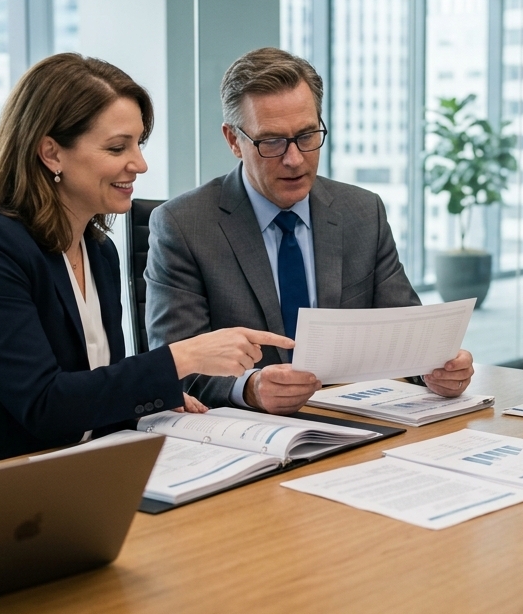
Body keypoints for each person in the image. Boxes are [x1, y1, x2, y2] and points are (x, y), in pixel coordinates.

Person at [0, 54, 290, 487]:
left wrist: (153, 401)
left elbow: (88, 387)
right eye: (117, 147)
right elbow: (44, 403)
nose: (139, 164)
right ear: (51, 152)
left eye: (138, 144)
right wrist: (182, 357)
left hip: (59, 477)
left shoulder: (98, 251)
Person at [145, 47, 474, 414]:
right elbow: (173, 365)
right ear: (234, 140)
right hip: (250, 434)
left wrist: (438, 368)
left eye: (306, 135)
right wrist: (250, 387)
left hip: (357, 422)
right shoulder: (183, 225)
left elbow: (407, 337)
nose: (294, 159)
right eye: (271, 142)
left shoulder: (362, 212)